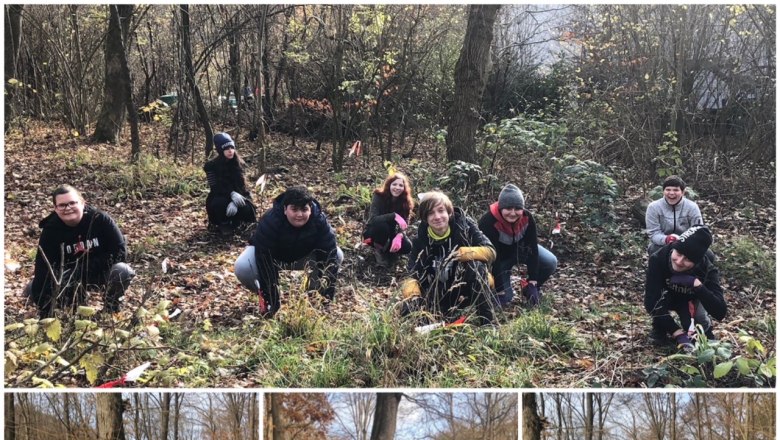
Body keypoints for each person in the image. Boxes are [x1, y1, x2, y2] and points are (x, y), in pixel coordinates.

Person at [24, 185, 135, 317]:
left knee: (122, 270)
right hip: (68, 278)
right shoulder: (51, 230)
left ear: (82, 203)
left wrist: (82, 270)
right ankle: (75, 307)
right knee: (33, 290)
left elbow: (120, 252)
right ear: (56, 208)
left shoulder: (100, 220)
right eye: (62, 205)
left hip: (99, 271)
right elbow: (43, 267)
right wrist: (44, 305)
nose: (68, 208)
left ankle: (111, 308)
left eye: (72, 203)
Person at [234, 186, 343, 317]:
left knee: (337, 254)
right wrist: (272, 300)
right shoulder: (270, 221)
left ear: (310, 209)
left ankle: (315, 294)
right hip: (274, 259)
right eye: (294, 209)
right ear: (285, 209)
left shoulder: (319, 220)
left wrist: (327, 297)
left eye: (304, 210)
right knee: (243, 266)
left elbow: (329, 254)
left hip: (303, 257)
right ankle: (264, 297)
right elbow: (264, 259)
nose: (299, 215)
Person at [401, 191, 496, 326]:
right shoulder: (420, 239)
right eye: (431, 213)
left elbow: (491, 251)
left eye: (441, 211)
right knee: (409, 312)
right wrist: (413, 294)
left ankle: (487, 323)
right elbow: (411, 273)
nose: (437, 217)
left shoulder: (464, 227)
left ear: (449, 212)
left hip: (466, 290)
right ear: (425, 218)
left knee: (476, 266)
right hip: (437, 293)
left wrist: (465, 253)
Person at [644, 225, 726, 352]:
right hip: (666, 297)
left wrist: (697, 285)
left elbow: (720, 311)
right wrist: (676, 332)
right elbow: (650, 302)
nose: (679, 261)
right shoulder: (658, 258)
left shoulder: (706, 268)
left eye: (688, 259)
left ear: (697, 261)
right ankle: (660, 329)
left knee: (700, 322)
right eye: (679, 253)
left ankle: (704, 332)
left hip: (689, 299)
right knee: (659, 305)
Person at [478, 184, 557, 307]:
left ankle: (529, 289)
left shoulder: (527, 218)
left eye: (517, 208)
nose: (513, 213)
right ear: (500, 207)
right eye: (508, 208)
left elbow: (532, 249)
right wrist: (500, 290)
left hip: (520, 252)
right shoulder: (488, 222)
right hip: (500, 260)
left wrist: (533, 281)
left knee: (550, 261)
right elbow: (493, 258)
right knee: (506, 298)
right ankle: (497, 291)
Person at [204, 132, 256, 234]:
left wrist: (235, 201)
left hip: (240, 194)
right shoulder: (211, 166)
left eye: (232, 148)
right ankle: (224, 224)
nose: (230, 151)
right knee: (219, 204)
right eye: (227, 149)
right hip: (220, 196)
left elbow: (243, 187)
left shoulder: (239, 163)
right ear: (220, 150)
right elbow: (214, 187)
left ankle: (239, 223)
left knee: (246, 207)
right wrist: (231, 194)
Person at [362, 173, 415, 267]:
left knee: (407, 247)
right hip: (371, 235)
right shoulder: (378, 196)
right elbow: (373, 220)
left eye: (400, 185)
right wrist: (393, 216)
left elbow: (405, 225)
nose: (397, 188)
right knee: (382, 226)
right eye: (394, 184)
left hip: (391, 233)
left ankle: (390, 251)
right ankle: (379, 252)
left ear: (404, 188)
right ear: (389, 185)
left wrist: (399, 236)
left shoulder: (405, 202)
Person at [645, 175, 704, 255]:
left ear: (683, 192)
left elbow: (698, 230)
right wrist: (667, 239)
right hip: (662, 244)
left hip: (687, 243)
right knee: (654, 250)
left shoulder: (692, 207)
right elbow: (653, 233)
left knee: (709, 255)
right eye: (668, 190)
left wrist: (684, 241)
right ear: (663, 191)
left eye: (676, 190)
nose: (671, 193)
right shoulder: (653, 207)